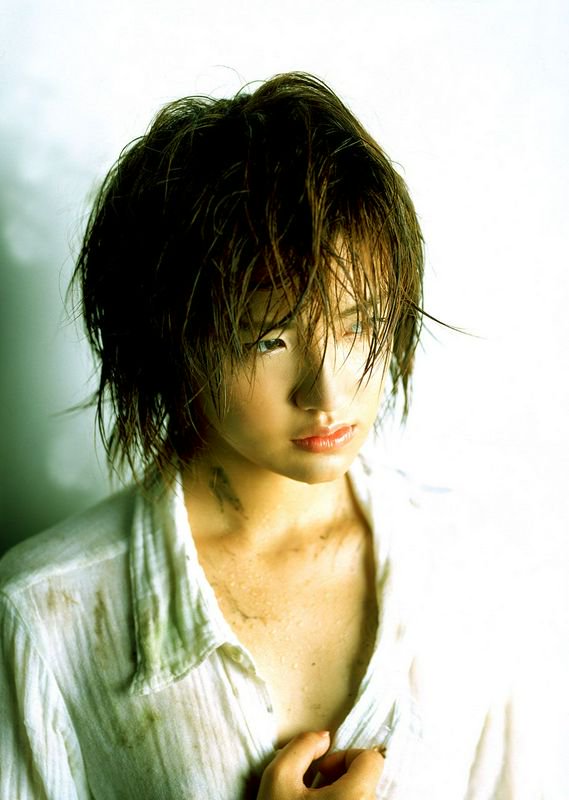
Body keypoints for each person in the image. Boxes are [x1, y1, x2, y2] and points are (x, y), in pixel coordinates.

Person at [0, 73, 542, 799]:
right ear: (171, 341)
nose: (327, 393)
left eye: (359, 325)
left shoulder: (470, 572)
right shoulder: (46, 615)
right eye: (267, 339)